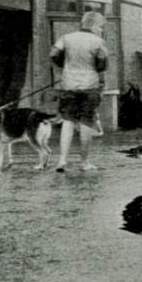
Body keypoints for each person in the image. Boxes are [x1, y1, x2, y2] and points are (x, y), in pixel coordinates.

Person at [50, 11, 108, 172]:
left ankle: (62, 160)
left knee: (68, 121)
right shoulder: (98, 41)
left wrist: (65, 66)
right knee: (86, 122)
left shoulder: (66, 37)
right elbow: (102, 64)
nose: (101, 30)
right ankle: (84, 162)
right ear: (95, 26)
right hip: (90, 85)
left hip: (68, 84)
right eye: (101, 27)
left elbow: (54, 54)